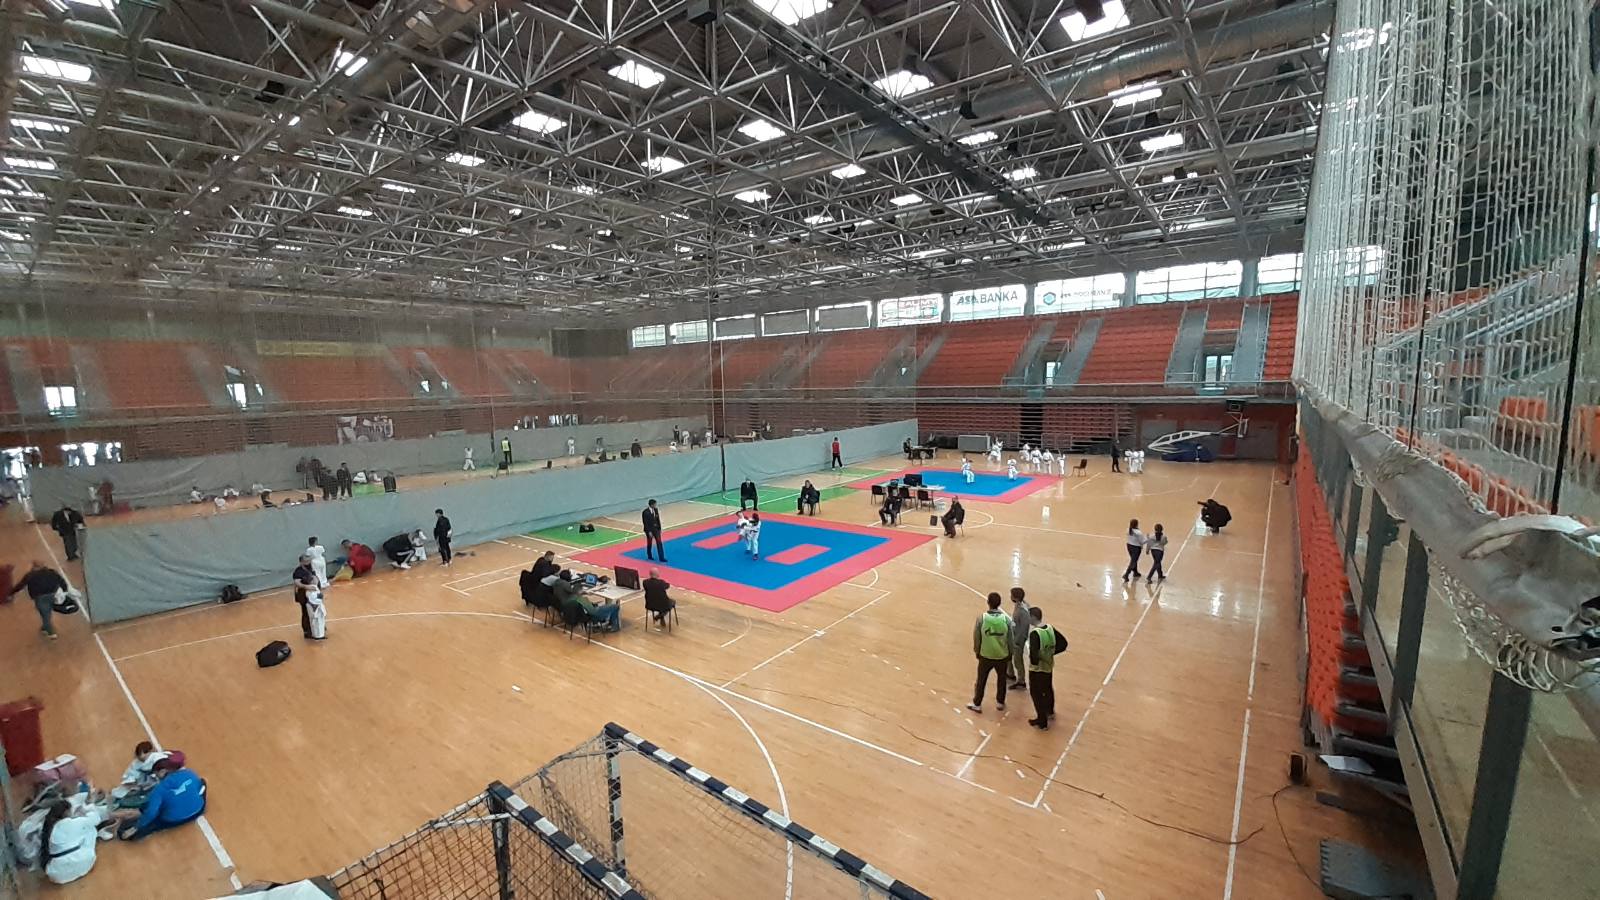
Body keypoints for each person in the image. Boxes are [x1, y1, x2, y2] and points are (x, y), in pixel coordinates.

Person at [118, 758, 206, 840]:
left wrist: (135, 828)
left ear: (163, 771)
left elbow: (151, 813)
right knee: (202, 782)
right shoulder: (189, 772)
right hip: (199, 809)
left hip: (175, 819)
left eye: (156, 774)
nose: (156, 777)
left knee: (151, 821)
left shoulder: (159, 789)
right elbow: (199, 786)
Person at [968, 593, 1011, 714]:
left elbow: (977, 637)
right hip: (1002, 655)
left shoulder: (982, 619)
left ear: (988, 603)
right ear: (999, 604)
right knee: (1002, 679)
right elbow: (1010, 639)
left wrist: (977, 650)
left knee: (981, 680)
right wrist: (1010, 653)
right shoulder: (1006, 620)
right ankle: (1000, 702)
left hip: (985, 655)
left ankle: (977, 703)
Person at [39, 799, 99, 884]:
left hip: (55, 874)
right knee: (90, 830)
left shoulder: (50, 825)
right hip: (81, 863)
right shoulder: (72, 822)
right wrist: (86, 809)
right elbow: (96, 819)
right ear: (66, 812)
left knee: (76, 836)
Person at [1026, 606, 1064, 729]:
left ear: (1033, 617)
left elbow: (1034, 656)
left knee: (1036, 694)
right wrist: (1051, 653)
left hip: (1037, 670)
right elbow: (1063, 644)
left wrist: (1036, 660)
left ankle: (1042, 721)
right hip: (1048, 666)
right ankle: (1050, 711)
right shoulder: (1050, 629)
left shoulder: (1035, 634)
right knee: (1048, 689)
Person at [9, 562, 68, 639]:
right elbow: (62, 581)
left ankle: (51, 632)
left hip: (40, 598)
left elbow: (20, 585)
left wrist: (11, 593)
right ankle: (44, 627)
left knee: (45, 614)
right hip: (53, 596)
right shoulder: (51, 572)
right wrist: (65, 590)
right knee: (47, 613)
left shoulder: (30, 575)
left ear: (34, 567)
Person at [1006, 587, 1031, 690]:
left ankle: (1021, 681)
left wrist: (1018, 641)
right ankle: (1010, 673)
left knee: (1017, 660)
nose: (1010, 596)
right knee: (1008, 654)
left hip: (1018, 639)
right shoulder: (1019, 605)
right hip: (1014, 636)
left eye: (1011, 595)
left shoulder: (1023, 611)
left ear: (1015, 597)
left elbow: (1024, 628)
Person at [292, 555, 318, 639]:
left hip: (312, 593)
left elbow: (314, 577)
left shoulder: (310, 568)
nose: (308, 563)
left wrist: (315, 582)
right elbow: (297, 583)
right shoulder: (298, 571)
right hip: (302, 594)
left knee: (316, 610)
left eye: (309, 561)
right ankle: (307, 631)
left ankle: (317, 627)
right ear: (301, 562)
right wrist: (306, 587)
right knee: (306, 612)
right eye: (306, 561)